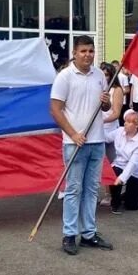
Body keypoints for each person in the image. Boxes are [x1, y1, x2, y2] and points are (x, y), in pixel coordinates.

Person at [50, 35, 113, 256]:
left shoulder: (99, 76)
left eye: (91, 51)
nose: (88, 55)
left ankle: (88, 233)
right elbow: (55, 109)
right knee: (74, 189)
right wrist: (73, 134)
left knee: (91, 189)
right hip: (75, 142)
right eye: (83, 51)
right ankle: (69, 234)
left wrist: (106, 103)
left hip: (97, 141)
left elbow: (105, 108)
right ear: (75, 53)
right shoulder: (65, 77)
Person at [107, 110, 138, 214]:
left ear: (136, 126)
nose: (125, 123)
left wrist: (121, 179)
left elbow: (133, 164)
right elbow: (106, 138)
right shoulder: (119, 131)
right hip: (119, 165)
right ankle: (114, 201)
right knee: (114, 172)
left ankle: (124, 196)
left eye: (129, 122)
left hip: (136, 173)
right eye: (125, 121)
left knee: (132, 206)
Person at [99, 63, 124, 207]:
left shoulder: (117, 90)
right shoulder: (99, 88)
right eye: (102, 74)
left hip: (111, 130)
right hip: (98, 131)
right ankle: (107, 193)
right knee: (101, 164)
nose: (104, 77)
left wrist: (101, 120)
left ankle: (113, 194)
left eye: (107, 74)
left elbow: (116, 113)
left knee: (113, 163)